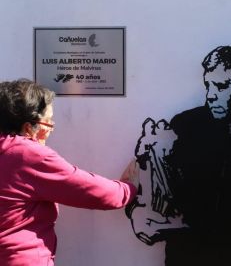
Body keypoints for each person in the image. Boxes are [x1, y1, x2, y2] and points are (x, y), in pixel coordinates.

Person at [126, 45, 231, 266]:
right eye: (208, 85)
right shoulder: (184, 125)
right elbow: (144, 178)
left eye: (221, 86)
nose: (210, 95)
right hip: (187, 257)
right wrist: (137, 211)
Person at [0, 79, 139, 266]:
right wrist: (127, 189)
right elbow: (88, 190)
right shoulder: (27, 155)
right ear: (27, 128)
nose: (51, 129)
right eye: (48, 121)